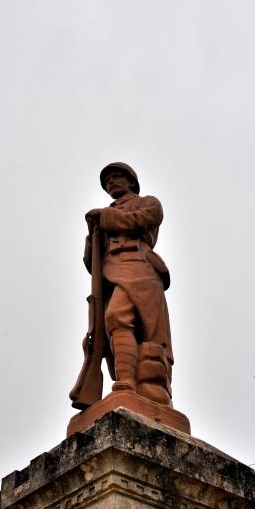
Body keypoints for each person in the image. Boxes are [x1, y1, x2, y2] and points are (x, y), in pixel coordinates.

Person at [82, 162, 174, 407]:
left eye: (116, 177)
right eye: (107, 180)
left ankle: (136, 384)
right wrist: (92, 235)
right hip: (111, 274)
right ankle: (126, 382)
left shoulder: (148, 202)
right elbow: (91, 262)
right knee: (115, 321)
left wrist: (105, 217)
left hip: (140, 268)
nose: (111, 182)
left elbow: (143, 219)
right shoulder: (103, 216)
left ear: (131, 181)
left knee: (123, 319)